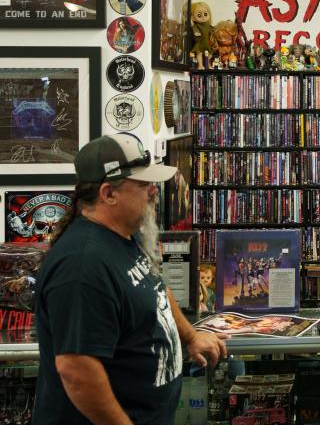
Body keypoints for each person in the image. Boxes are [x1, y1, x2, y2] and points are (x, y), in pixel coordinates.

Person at [33, 133, 228, 424]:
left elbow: (156, 290)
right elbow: (77, 369)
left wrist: (190, 336)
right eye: (143, 184)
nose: (153, 191)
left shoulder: (125, 236)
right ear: (108, 193)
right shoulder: (82, 266)